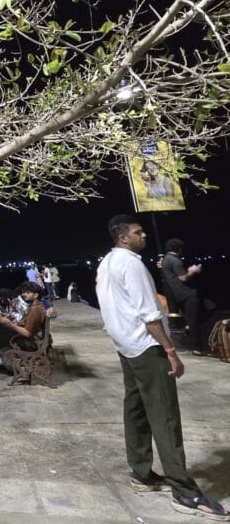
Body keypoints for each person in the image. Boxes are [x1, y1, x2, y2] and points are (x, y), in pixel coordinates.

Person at [96, 214, 229, 521]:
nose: (144, 235)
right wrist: (170, 351)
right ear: (123, 238)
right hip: (146, 346)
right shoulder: (131, 264)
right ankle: (184, 492)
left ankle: (141, 473)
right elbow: (149, 313)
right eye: (138, 232)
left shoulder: (106, 263)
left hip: (125, 345)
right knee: (165, 415)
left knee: (137, 408)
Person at [160, 239, 208, 356]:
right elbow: (183, 278)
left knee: (208, 307)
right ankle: (197, 349)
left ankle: (189, 328)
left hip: (179, 294)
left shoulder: (165, 259)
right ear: (179, 249)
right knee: (194, 320)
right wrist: (193, 271)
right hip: (187, 293)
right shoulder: (176, 261)